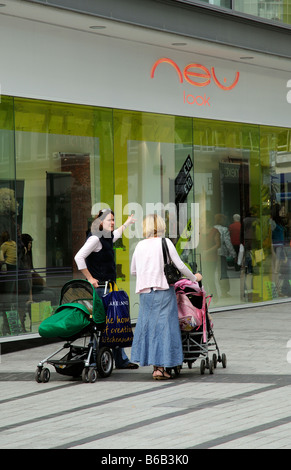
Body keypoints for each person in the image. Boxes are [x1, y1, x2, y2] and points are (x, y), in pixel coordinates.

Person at [130, 214, 202, 380]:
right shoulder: (165, 242)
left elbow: (134, 270)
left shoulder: (139, 245)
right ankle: (161, 368)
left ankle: (156, 366)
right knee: (164, 328)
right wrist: (194, 278)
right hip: (163, 291)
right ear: (161, 226)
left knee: (149, 327)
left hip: (145, 293)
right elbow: (180, 265)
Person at [74, 208, 138, 369]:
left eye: (113, 220)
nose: (113, 222)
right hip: (100, 289)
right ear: (101, 222)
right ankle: (95, 359)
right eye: (110, 220)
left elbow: (116, 234)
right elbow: (79, 257)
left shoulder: (106, 236)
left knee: (113, 322)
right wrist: (90, 278)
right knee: (101, 324)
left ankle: (120, 360)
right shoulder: (95, 238)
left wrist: (127, 223)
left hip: (108, 287)